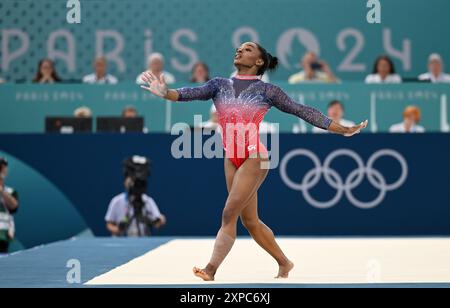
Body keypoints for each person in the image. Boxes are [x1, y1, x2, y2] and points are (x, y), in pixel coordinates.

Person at [140, 41, 368, 281]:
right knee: (250, 221)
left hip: (254, 156)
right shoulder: (219, 84)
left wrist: (342, 129)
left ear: (259, 61)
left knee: (229, 213)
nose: (240, 50)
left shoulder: (267, 91)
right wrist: (166, 93)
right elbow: (189, 94)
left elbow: (302, 111)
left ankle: (211, 269)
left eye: (248, 49)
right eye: (239, 48)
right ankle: (284, 262)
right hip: (231, 157)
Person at [105, 157, 166, 237]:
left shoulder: (147, 201)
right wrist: (118, 229)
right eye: (133, 181)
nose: (136, 186)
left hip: (144, 243)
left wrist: (159, 221)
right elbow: (109, 224)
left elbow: (159, 222)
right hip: (122, 243)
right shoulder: (117, 201)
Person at [0, 157, 19, 253]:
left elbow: (14, 207)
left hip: (3, 237)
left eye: (2, 167)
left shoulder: (10, 191)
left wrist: (2, 190)